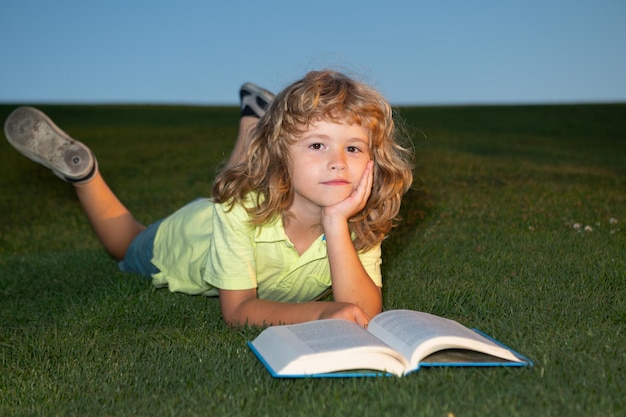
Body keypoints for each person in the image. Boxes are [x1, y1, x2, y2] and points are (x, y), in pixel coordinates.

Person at [3, 70, 413, 328]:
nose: (339, 163)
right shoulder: (238, 210)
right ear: (283, 154)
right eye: (318, 145)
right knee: (125, 243)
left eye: (354, 149)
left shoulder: (359, 218)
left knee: (237, 183)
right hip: (186, 239)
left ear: (373, 163)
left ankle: (255, 116)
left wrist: (335, 224)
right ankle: (84, 173)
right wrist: (321, 313)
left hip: (252, 196)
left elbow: (364, 310)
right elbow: (238, 312)